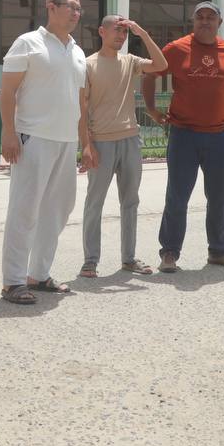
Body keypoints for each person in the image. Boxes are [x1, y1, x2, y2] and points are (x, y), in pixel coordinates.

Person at [141, 1, 224, 273]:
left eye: (210, 17)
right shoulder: (177, 49)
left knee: (219, 196)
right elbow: (150, 74)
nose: (205, 21)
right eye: (200, 17)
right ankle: (169, 253)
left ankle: (218, 251)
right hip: (184, 135)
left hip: (218, 136)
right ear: (193, 22)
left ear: (219, 23)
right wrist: (152, 109)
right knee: (177, 197)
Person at [0, 0, 91, 305]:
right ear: (51, 7)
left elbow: (81, 101)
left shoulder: (77, 51)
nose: (77, 13)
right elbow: (8, 91)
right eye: (71, 7)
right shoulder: (28, 43)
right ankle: (12, 281)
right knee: (24, 210)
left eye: (80, 9)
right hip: (33, 137)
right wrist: (9, 133)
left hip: (66, 140)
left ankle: (38, 274)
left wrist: (86, 144)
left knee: (58, 209)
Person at [78, 15, 168, 277]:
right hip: (101, 143)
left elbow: (161, 65)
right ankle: (90, 261)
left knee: (130, 202)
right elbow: (81, 107)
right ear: (101, 32)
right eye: (116, 30)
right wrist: (86, 145)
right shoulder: (87, 65)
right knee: (95, 202)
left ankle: (129, 259)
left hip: (130, 140)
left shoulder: (130, 62)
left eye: (124, 32)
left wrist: (143, 33)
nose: (120, 36)